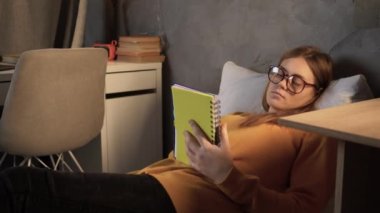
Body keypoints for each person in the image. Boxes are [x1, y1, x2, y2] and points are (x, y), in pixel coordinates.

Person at [0, 46, 337, 213]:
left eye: (297, 82)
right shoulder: (241, 116)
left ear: (316, 93)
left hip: (185, 201)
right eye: (280, 73)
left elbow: (303, 209)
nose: (282, 84)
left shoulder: (313, 134)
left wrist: (226, 175)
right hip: (158, 179)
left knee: (23, 185)